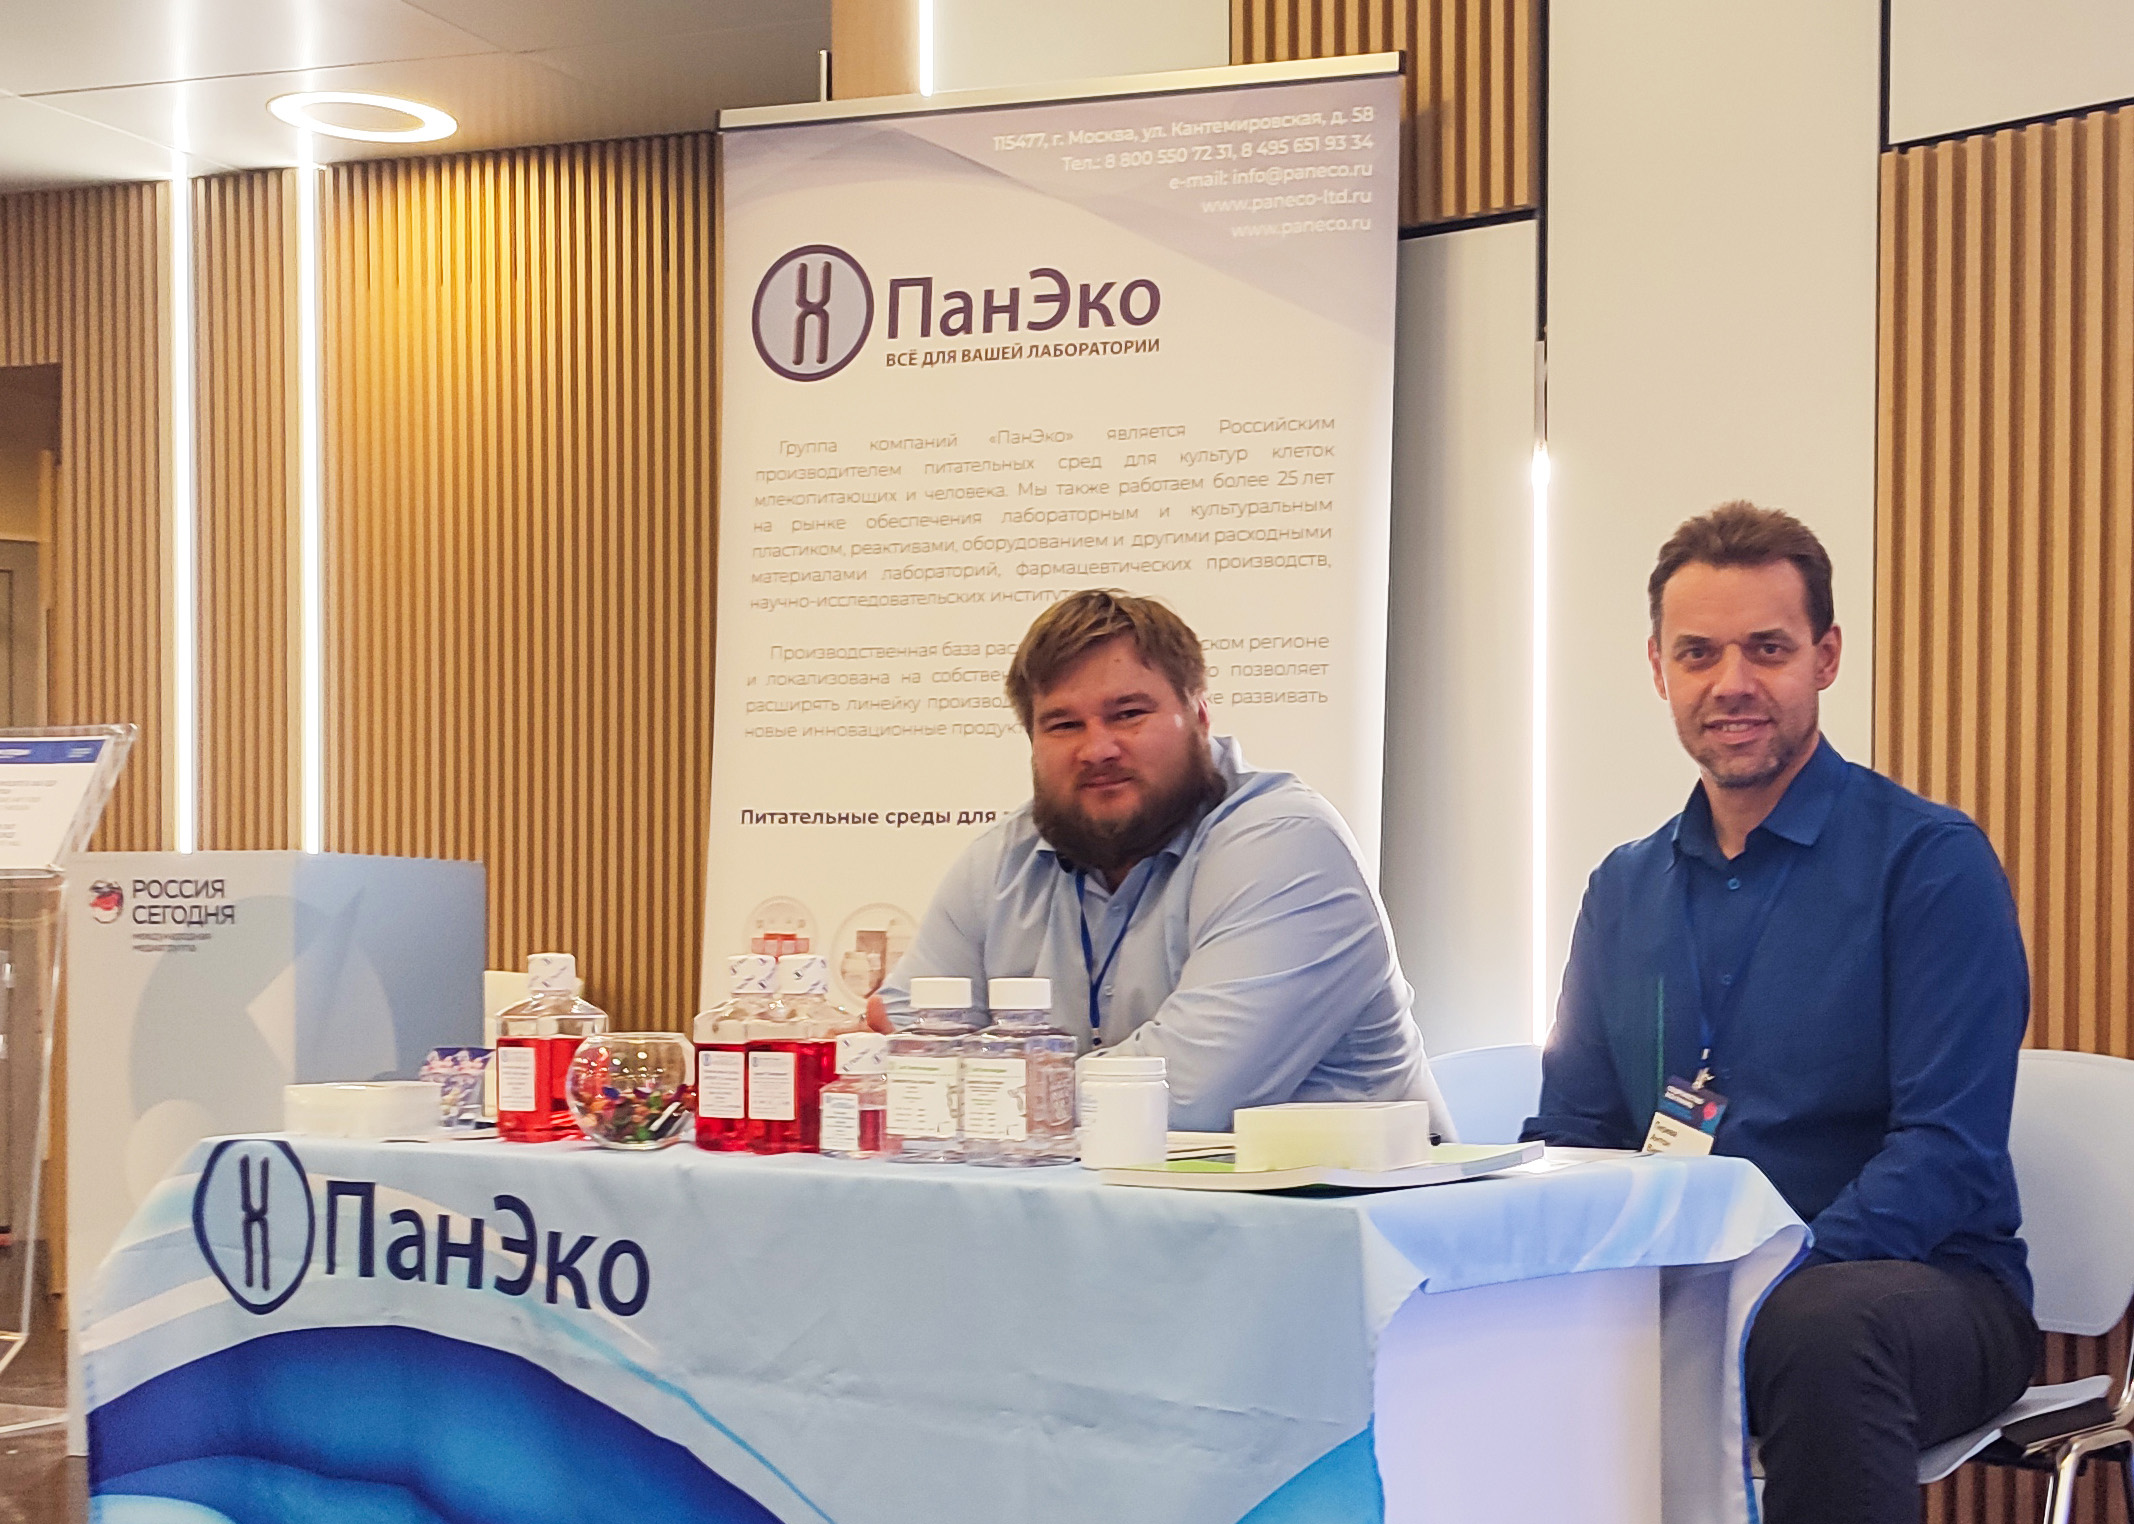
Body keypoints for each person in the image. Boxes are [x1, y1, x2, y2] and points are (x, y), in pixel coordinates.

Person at [1523, 502, 2036, 1524]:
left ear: (1825, 657)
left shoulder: (1928, 864)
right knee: (1486, 1314)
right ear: (1658, 670)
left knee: (1818, 1327)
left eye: (1766, 648)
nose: (1732, 683)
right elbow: (1576, 1135)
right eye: (1698, 653)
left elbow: (1947, 1150)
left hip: (1912, 1283)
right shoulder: (1621, 889)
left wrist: (1758, 1276)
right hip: (1682, 1286)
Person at [871, 588, 1452, 1136]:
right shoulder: (1003, 860)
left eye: (1128, 714)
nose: (1097, 749)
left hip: (1340, 1194)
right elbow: (897, 1046)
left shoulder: (1286, 843)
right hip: (1109, 1194)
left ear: (1199, 715)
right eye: (1064, 725)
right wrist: (927, 1079)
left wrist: (967, 1090)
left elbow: (1186, 1098)